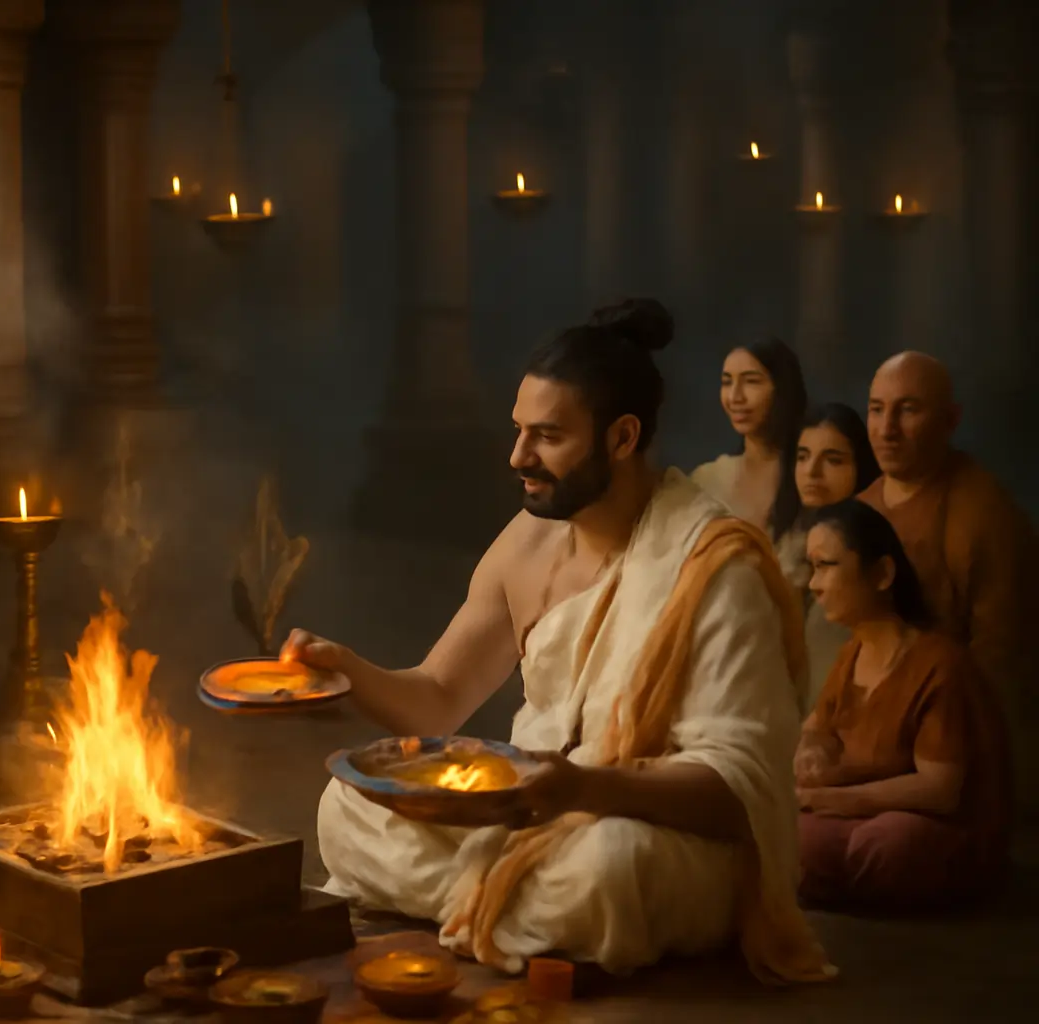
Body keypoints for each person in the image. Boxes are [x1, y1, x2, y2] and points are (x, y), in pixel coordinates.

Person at [286, 300, 831, 983]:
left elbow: (739, 791)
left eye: (547, 436)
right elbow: (437, 697)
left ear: (622, 437)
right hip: (529, 819)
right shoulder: (528, 540)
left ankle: (485, 902)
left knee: (611, 868)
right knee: (346, 807)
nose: (518, 456)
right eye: (519, 430)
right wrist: (342, 670)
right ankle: (502, 907)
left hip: (648, 836)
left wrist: (586, 788)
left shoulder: (713, 568)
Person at [795, 500, 1011, 911]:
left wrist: (833, 800)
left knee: (887, 846)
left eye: (826, 566)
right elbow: (816, 728)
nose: (814, 585)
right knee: (790, 838)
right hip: (860, 816)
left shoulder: (939, 664)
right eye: (812, 568)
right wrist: (811, 750)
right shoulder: (852, 653)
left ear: (882, 574)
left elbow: (939, 790)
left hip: (929, 822)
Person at [857, 352, 1035, 798]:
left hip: (953, 752)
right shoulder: (860, 510)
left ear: (950, 420)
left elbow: (1001, 669)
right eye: (877, 409)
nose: (887, 429)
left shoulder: (985, 516)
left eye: (908, 410)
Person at [691, 338, 809, 585]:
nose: (735, 396)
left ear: (782, 389)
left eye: (751, 382)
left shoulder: (809, 475)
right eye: (727, 382)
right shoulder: (707, 480)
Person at [795, 404, 881, 706]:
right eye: (803, 457)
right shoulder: (788, 543)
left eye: (833, 460)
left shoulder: (865, 561)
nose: (812, 472)